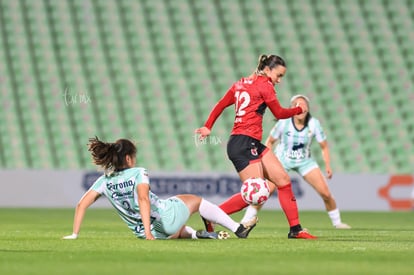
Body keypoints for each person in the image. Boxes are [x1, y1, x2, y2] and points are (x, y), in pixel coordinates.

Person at [195, 54, 316, 239]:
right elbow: (280, 112)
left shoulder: (241, 83)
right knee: (256, 193)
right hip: (243, 143)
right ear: (267, 70)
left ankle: (295, 229)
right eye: (279, 75)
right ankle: (211, 214)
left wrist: (208, 126)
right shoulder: (265, 85)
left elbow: (221, 104)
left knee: (283, 181)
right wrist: (298, 110)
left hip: (249, 142)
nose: (279, 80)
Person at [63, 137, 257, 240]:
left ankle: (196, 234)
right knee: (195, 200)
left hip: (145, 232)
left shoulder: (104, 181)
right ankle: (238, 228)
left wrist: (75, 234)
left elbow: (81, 205)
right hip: (161, 221)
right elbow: (143, 199)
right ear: (129, 158)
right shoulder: (139, 172)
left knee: (176, 227)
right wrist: (149, 233)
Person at [241, 95, 351, 229]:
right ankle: (245, 221)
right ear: (292, 108)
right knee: (264, 192)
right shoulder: (284, 123)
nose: (301, 107)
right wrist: (266, 161)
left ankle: (337, 223)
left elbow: (324, 145)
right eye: (297, 105)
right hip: (282, 160)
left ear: (308, 109)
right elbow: (270, 141)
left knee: (326, 193)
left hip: (304, 161)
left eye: (303, 105)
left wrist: (327, 165)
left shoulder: (314, 124)